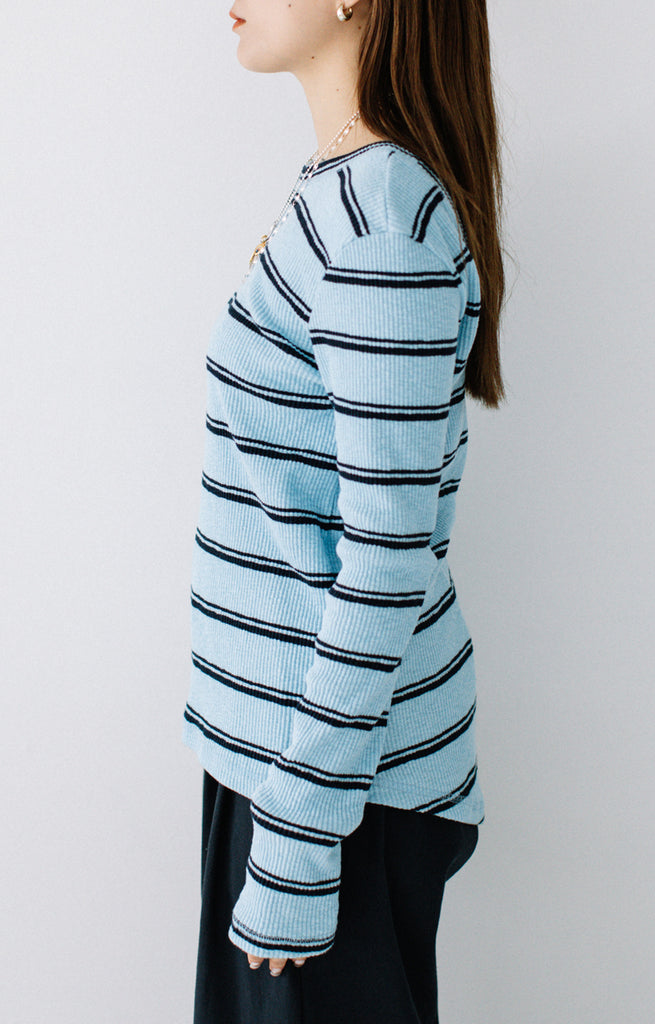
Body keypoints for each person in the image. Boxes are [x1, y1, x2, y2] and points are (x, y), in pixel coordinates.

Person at [182, 1, 507, 1020]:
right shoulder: (342, 190)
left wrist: (297, 838)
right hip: (293, 765)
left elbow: (385, 560)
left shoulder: (380, 220)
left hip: (331, 792)